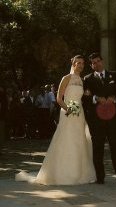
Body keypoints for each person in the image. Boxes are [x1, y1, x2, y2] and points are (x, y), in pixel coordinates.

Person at [16, 55, 96, 185]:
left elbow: (80, 99)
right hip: (68, 111)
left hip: (79, 112)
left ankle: (79, 173)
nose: (81, 65)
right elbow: (59, 98)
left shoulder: (81, 80)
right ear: (73, 64)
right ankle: (64, 173)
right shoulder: (66, 78)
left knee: (80, 139)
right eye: (78, 63)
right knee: (67, 138)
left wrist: (86, 96)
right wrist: (69, 109)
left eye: (82, 63)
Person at [83, 52, 116, 183]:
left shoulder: (115, 75)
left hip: (114, 118)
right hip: (96, 119)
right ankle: (99, 177)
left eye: (98, 61)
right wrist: (96, 98)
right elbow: (85, 97)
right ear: (91, 65)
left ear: (102, 61)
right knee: (98, 147)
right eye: (93, 62)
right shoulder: (87, 79)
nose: (96, 64)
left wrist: (114, 98)